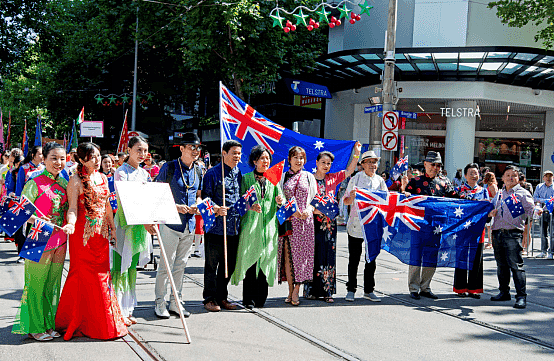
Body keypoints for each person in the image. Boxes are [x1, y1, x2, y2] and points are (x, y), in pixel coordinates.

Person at [55, 142, 127, 340]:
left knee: (103, 275)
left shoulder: (103, 177)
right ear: (81, 160)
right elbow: (72, 209)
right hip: (82, 236)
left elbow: (106, 207)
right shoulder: (75, 181)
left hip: (101, 235)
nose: (96, 160)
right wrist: (70, 224)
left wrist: (112, 229)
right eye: (91, 157)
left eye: (98, 155)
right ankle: (80, 320)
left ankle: (103, 320)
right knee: (85, 275)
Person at [11, 143, 74, 341]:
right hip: (39, 237)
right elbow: (21, 212)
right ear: (44, 159)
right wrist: (39, 220)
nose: (58, 162)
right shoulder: (34, 182)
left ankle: (48, 324)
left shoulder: (65, 184)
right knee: (35, 285)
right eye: (54, 158)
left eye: (62, 158)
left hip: (61, 240)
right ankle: (34, 326)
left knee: (52, 285)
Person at [304, 143, 361, 303]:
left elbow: (349, 171)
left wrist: (356, 153)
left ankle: (327, 291)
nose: (326, 166)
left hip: (329, 224)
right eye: (323, 162)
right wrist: (313, 210)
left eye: (329, 163)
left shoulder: (333, 178)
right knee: (313, 256)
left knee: (328, 256)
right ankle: (312, 291)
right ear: (316, 163)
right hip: (312, 222)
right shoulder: (308, 179)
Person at [154, 132, 203, 318]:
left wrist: (198, 205)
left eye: (198, 147)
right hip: (170, 224)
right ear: (181, 148)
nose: (195, 151)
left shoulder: (199, 170)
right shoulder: (170, 167)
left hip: (189, 225)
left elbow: (198, 194)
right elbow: (157, 193)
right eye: (191, 147)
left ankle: (176, 301)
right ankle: (159, 302)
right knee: (166, 265)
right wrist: (175, 207)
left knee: (181, 265)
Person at [230, 145, 284, 308]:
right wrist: (250, 206)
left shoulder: (273, 179)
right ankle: (248, 299)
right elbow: (239, 202)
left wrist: (280, 201)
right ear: (254, 161)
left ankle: (261, 298)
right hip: (250, 226)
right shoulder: (246, 178)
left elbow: (280, 199)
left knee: (266, 259)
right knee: (250, 260)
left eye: (267, 158)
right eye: (262, 158)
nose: (265, 161)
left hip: (269, 227)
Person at [112, 136, 155, 325]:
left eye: (145, 151)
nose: (142, 154)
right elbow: (126, 201)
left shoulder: (145, 174)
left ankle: (128, 309)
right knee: (120, 267)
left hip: (140, 227)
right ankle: (116, 310)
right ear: (128, 150)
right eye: (139, 150)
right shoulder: (121, 172)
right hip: (124, 225)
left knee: (131, 269)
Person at [404, 151, 457, 300]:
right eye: (432, 164)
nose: (435, 167)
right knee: (415, 256)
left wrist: (477, 203)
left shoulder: (445, 183)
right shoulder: (415, 181)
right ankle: (413, 288)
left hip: (436, 227)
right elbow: (405, 197)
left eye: (438, 165)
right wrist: (406, 194)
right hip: (418, 226)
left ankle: (425, 287)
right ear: (425, 164)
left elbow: (457, 199)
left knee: (431, 256)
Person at [202, 140, 243, 312]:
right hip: (216, 228)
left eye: (239, 154)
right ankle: (209, 299)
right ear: (224, 153)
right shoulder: (212, 173)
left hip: (233, 227)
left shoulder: (238, 173)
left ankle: (222, 296)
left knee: (229, 265)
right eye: (234, 153)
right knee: (212, 265)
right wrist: (217, 209)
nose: (237, 156)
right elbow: (205, 199)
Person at [343, 150, 388, 302]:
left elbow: (386, 200)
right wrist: (352, 197)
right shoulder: (355, 179)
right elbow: (346, 201)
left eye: (374, 162)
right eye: (369, 162)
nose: (372, 165)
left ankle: (369, 290)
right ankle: (351, 289)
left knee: (371, 259)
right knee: (354, 259)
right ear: (362, 164)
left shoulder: (380, 181)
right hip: (356, 224)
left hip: (373, 225)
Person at [489, 165, 535, 309]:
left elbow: (531, 212)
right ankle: (504, 292)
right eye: (507, 175)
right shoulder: (500, 193)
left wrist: (527, 233)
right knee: (501, 265)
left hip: (513, 233)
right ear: (502, 178)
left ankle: (521, 296)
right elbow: (491, 208)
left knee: (516, 266)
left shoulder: (522, 193)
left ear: (519, 178)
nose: (510, 178)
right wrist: (491, 213)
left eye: (514, 175)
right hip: (497, 232)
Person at [277, 146, 317, 306]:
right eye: (295, 157)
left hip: (305, 222)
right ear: (289, 159)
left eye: (301, 158)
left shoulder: (309, 177)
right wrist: (291, 211)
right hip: (289, 221)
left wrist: (308, 210)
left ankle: (297, 290)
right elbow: (278, 197)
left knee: (303, 257)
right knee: (288, 257)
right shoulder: (283, 176)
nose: (298, 161)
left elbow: (315, 199)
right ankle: (289, 289)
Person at [453, 163, 489, 299]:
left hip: (478, 229)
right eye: (471, 173)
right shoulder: (458, 190)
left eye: (476, 173)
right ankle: (460, 288)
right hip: (462, 229)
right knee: (461, 257)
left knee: (476, 258)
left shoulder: (483, 191)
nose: (474, 176)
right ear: (465, 176)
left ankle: (474, 289)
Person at [533, 170, 554, 259]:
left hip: (552, 212)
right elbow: (535, 198)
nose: (548, 178)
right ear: (543, 178)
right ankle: (543, 251)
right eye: (547, 176)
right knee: (542, 233)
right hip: (542, 211)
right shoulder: (539, 186)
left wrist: (545, 200)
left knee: (552, 233)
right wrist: (545, 200)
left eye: (550, 176)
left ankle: (551, 252)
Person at [518, 173, 533, 255]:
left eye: (521, 181)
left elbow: (529, 197)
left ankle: (526, 248)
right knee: (521, 231)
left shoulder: (528, 186)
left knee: (527, 231)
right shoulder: (515, 186)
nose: (520, 183)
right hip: (518, 210)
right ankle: (521, 247)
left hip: (527, 211)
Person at [483, 172, 498, 249]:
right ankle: (489, 241)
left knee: (490, 226)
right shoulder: (489, 186)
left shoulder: (492, 186)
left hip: (492, 207)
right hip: (489, 207)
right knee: (489, 226)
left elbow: (496, 198)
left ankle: (490, 242)